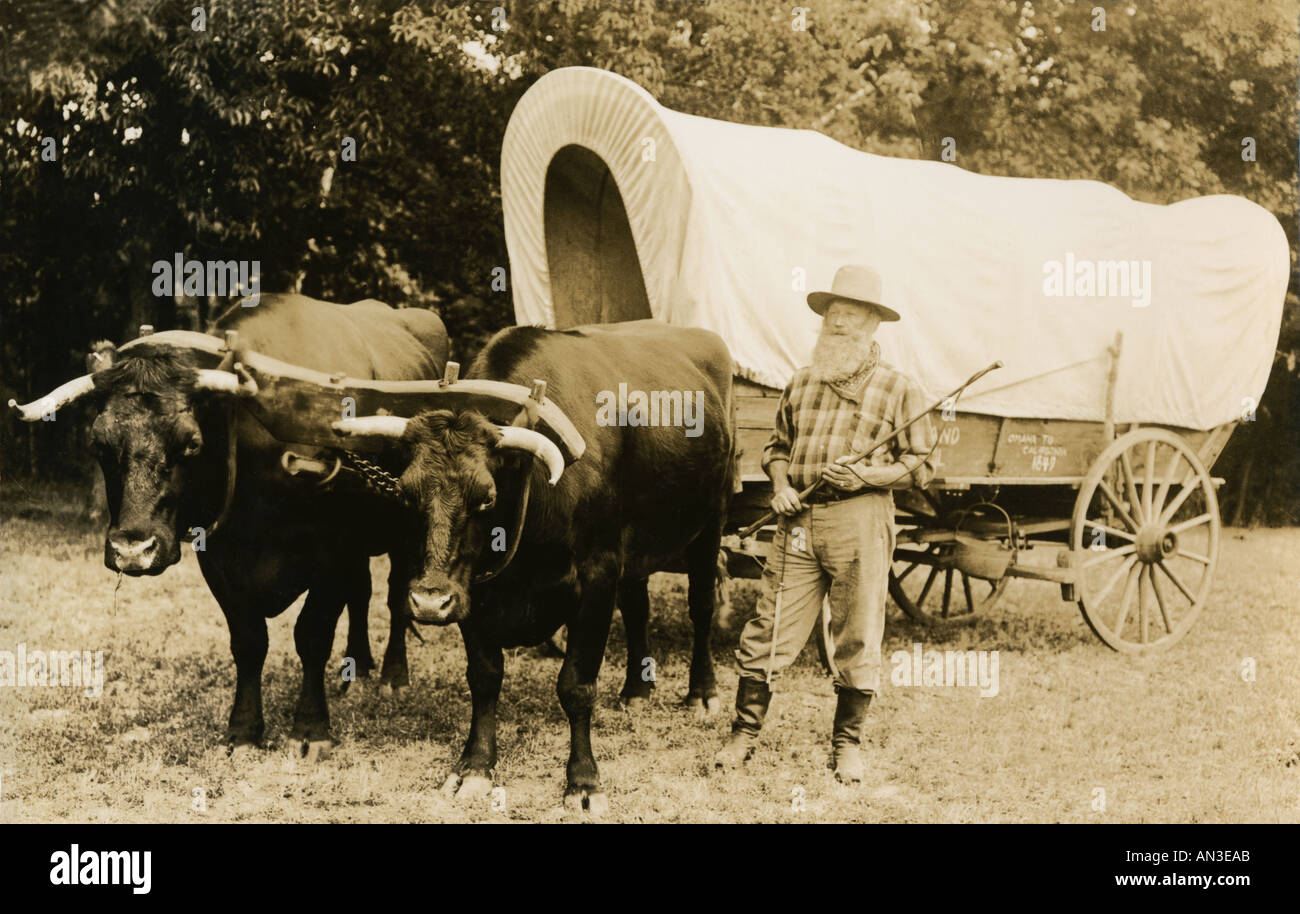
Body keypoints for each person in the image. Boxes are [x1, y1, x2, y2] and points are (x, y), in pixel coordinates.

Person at [715, 264, 937, 783]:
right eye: (833, 315)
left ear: (873, 326)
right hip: (799, 521)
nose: (839, 325)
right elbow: (777, 449)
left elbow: (921, 464)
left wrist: (867, 475)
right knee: (769, 625)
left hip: (860, 520)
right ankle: (743, 734)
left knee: (857, 629)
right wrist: (782, 486)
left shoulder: (899, 389)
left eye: (852, 317)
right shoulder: (802, 381)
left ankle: (848, 746)